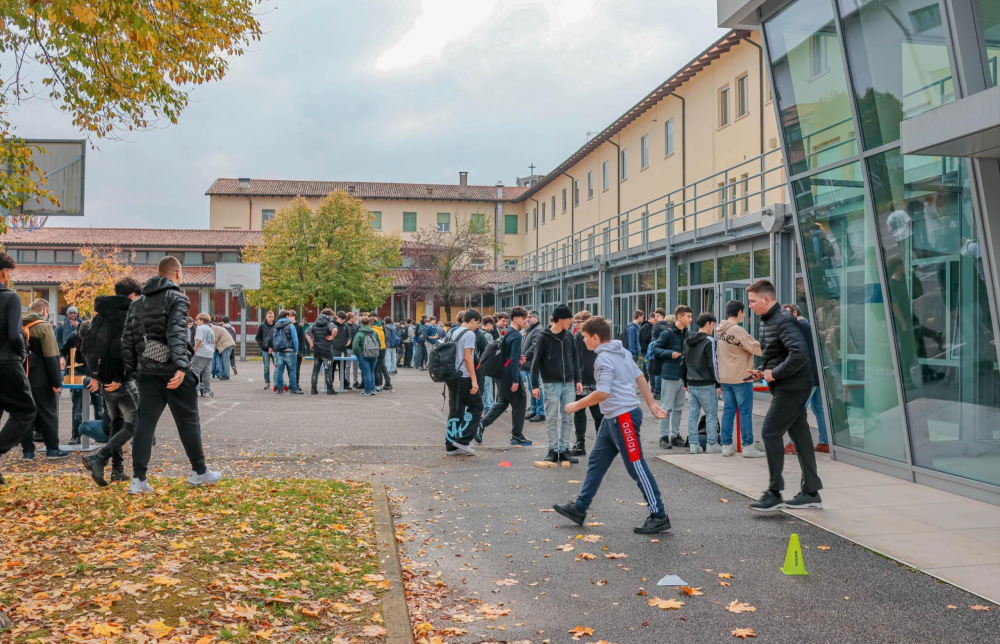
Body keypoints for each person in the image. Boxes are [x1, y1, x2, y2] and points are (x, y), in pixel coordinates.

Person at [554, 315, 671, 534]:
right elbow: (640, 378)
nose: (584, 340)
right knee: (596, 463)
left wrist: (576, 405)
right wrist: (652, 405)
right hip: (612, 418)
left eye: (585, 337)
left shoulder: (604, 359)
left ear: (596, 337)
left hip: (623, 417)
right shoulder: (623, 352)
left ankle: (659, 514)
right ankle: (580, 507)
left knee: (636, 466)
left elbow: (602, 392)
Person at [121, 255, 222, 494]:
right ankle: (199, 471)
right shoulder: (177, 298)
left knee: (145, 424)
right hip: (172, 371)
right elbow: (177, 332)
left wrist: (133, 369)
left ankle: (138, 479)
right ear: (178, 273)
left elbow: (127, 340)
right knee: (188, 421)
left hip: (146, 371)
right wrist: (180, 366)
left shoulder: (136, 303)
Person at [745, 280, 823, 512]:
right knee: (801, 437)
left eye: (752, 301)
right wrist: (762, 372)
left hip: (793, 387)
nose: (750, 305)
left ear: (766, 299)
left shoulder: (784, 320)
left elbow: (799, 354)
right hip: (788, 385)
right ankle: (811, 492)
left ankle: (774, 492)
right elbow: (781, 354)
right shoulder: (770, 320)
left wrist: (774, 374)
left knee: (770, 431)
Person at [81, 277, 143, 486]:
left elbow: (87, 345)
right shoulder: (125, 314)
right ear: (133, 296)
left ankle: (117, 470)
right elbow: (121, 348)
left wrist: (97, 375)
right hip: (120, 379)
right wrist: (118, 376)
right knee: (135, 422)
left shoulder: (101, 314)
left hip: (104, 379)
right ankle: (99, 458)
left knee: (116, 423)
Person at [532, 304, 582, 465]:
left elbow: (575, 359)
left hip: (568, 383)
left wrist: (578, 380)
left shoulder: (569, 336)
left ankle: (564, 449)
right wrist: (534, 384)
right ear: (561, 319)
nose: (572, 322)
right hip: (551, 383)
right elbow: (535, 362)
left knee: (568, 417)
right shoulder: (543, 337)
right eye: (569, 319)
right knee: (552, 417)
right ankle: (553, 450)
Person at [21, 299, 70, 460]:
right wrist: (57, 382)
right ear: (43, 312)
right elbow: (51, 357)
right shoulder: (43, 327)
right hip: (41, 379)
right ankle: (52, 449)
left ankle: (27, 451)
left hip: (20, 377)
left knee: (25, 415)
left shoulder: (16, 325)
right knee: (48, 413)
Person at [716, 300, 765, 458]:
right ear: (739, 312)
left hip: (725, 376)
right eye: (744, 312)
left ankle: (726, 445)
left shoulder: (721, 330)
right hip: (741, 377)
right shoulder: (737, 330)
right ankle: (748, 446)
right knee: (745, 412)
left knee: (728, 411)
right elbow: (756, 348)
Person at [479, 307, 530, 446]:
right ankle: (517, 435)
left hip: (501, 371)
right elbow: (513, 360)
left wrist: (519, 357)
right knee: (520, 401)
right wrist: (515, 379)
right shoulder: (517, 335)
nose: (526, 321)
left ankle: (481, 424)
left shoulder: (508, 332)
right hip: (509, 373)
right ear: (515, 318)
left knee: (502, 402)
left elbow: (509, 355)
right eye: (523, 318)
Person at [782, 304, 829, 454]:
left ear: (795, 313)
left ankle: (793, 444)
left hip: (806, 375)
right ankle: (825, 442)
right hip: (818, 373)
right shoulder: (807, 325)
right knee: (819, 409)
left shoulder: (799, 326)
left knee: (797, 409)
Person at [650, 306, 691, 449]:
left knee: (679, 407)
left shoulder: (686, 333)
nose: (690, 320)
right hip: (669, 375)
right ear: (680, 317)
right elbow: (655, 349)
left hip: (681, 376)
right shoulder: (667, 333)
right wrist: (670, 354)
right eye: (688, 316)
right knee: (666, 407)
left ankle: (675, 435)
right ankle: (663, 436)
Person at [61, 316, 106, 444]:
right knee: (77, 406)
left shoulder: (99, 337)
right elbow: (62, 351)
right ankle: (76, 435)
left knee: (99, 405)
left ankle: (102, 434)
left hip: (95, 373)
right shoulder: (73, 337)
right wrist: (62, 358)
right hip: (78, 372)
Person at [445, 309, 482, 456]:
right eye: (477, 324)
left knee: (456, 409)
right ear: (472, 320)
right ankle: (463, 439)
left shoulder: (452, 331)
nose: (476, 327)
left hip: (451, 375)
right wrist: (474, 379)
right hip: (464, 376)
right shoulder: (469, 334)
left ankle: (450, 445)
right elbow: (468, 358)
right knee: (477, 406)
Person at [682, 313, 721, 454]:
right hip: (706, 383)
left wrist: (685, 380)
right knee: (711, 414)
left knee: (693, 414)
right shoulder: (709, 341)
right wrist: (718, 383)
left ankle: (693, 445)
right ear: (708, 324)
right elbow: (713, 364)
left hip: (691, 383)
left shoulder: (687, 340)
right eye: (713, 325)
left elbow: (684, 362)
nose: (713, 328)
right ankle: (711, 444)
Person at [571, 310, 602, 456]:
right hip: (580, 380)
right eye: (575, 321)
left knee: (598, 414)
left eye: (578, 321)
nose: (575, 324)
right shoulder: (577, 337)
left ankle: (602, 444)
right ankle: (580, 443)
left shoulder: (595, 337)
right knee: (579, 413)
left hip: (594, 380)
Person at [306, 308, 337, 395]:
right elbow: (335, 330)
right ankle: (330, 389)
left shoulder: (315, 323)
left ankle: (313, 389)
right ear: (330, 315)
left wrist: (311, 344)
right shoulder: (329, 323)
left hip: (317, 349)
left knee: (315, 370)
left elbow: (307, 333)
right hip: (327, 349)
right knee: (328, 370)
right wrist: (332, 337)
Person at [522, 310, 545, 422]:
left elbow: (535, 346)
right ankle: (534, 410)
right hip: (528, 364)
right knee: (531, 388)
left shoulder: (538, 330)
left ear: (536, 318)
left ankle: (540, 412)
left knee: (536, 387)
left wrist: (524, 356)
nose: (528, 319)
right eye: (527, 317)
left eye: (530, 317)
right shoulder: (530, 330)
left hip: (533, 364)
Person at [271, 310, 302, 395]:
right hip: (290, 351)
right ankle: (293, 389)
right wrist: (296, 350)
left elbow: (273, 338)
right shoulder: (290, 326)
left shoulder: (276, 326)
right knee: (292, 370)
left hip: (279, 351)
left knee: (280, 371)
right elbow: (295, 339)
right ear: (287, 316)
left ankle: (280, 389)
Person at [351, 315, 380, 395]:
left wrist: (359, 353)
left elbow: (355, 346)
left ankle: (367, 390)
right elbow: (379, 344)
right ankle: (372, 389)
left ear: (361, 323)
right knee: (371, 372)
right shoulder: (374, 332)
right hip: (374, 354)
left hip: (363, 355)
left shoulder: (359, 333)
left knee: (366, 373)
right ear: (369, 323)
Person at [191, 313, 216, 398]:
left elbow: (199, 340)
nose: (196, 321)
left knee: (195, 371)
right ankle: (206, 392)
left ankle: (196, 391)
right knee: (207, 373)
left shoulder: (200, 328)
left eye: (197, 320)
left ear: (202, 320)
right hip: (210, 353)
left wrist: (194, 350)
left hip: (201, 352)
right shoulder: (210, 329)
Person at [646, 308, 669, 396]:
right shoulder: (669, 325)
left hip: (658, 351)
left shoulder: (655, 326)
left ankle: (657, 392)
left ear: (657, 315)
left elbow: (654, 341)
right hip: (667, 350)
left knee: (657, 372)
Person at [478, 316, 496, 415]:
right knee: (488, 386)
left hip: (479, 363)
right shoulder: (488, 336)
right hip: (487, 364)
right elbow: (491, 350)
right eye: (491, 326)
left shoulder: (478, 334)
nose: (491, 328)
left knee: (482, 386)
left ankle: (484, 408)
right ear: (488, 324)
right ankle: (489, 408)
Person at [255, 310, 276, 390]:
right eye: (269, 317)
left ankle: (277, 382)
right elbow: (257, 337)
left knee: (276, 366)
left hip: (274, 349)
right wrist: (262, 344)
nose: (271, 318)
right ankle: (267, 382)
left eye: (272, 317)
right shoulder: (262, 326)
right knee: (266, 366)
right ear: (266, 317)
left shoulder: (276, 325)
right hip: (265, 349)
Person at [371, 316, 392, 392]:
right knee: (382, 366)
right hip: (383, 348)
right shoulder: (381, 328)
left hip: (377, 349)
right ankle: (387, 382)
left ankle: (378, 385)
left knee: (376, 369)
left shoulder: (373, 329)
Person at [330, 311, 349, 390]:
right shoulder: (332, 325)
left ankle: (343, 384)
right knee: (332, 368)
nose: (343, 321)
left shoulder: (345, 326)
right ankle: (330, 384)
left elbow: (349, 336)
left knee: (342, 368)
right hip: (333, 349)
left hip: (342, 350)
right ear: (337, 317)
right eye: (341, 319)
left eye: (344, 319)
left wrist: (349, 341)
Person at [289, 311, 307, 390]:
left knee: (296, 369)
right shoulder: (288, 325)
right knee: (290, 369)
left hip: (297, 351)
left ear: (294, 317)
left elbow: (302, 339)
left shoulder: (299, 326)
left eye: (290, 316)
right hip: (289, 350)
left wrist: (301, 351)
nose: (288, 318)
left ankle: (296, 383)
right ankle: (291, 383)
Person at [347, 311, 361, 387]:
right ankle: (347, 380)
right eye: (354, 318)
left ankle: (355, 381)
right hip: (348, 348)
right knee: (347, 365)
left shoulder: (355, 326)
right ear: (350, 318)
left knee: (356, 365)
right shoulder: (345, 326)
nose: (355, 319)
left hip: (355, 348)